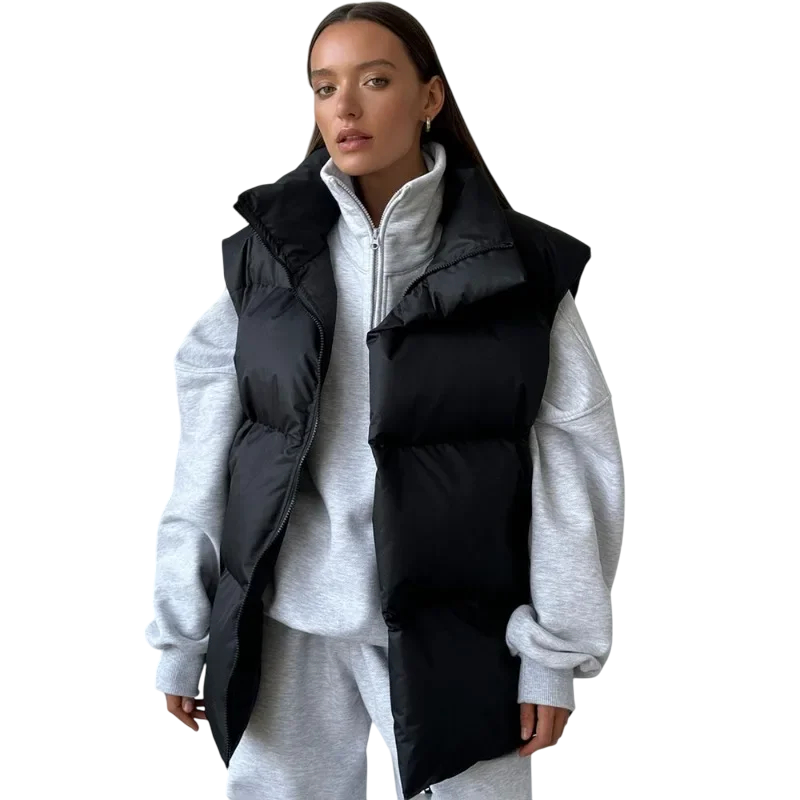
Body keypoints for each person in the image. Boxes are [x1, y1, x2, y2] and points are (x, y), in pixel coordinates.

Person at [144, 3, 625, 799]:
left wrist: (552, 654)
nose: (346, 107)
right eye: (324, 86)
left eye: (374, 80)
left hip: (464, 633)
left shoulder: (519, 271)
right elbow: (204, 458)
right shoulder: (268, 263)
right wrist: (182, 634)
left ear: (429, 96)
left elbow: (574, 466)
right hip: (291, 624)